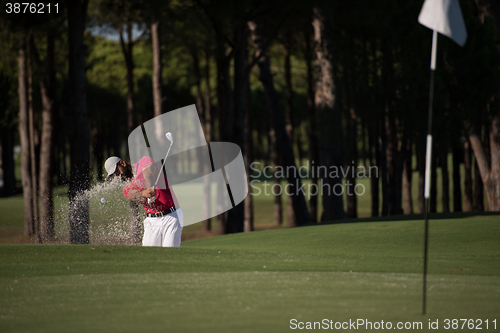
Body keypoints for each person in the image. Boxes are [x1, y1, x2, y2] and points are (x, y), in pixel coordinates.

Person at [104, 156, 183, 247]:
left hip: (172, 217)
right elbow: (132, 195)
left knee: (170, 254)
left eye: (117, 171)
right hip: (151, 222)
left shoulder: (144, 161)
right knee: (149, 255)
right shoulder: (126, 188)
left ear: (123, 163)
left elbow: (148, 173)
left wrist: (149, 187)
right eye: (114, 175)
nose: (118, 176)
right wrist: (142, 193)